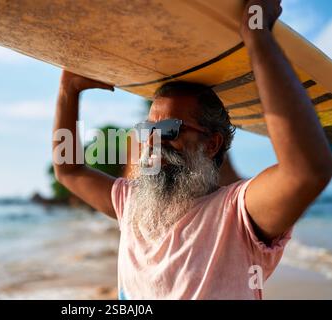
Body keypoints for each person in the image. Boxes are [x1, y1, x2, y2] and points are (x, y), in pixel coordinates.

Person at [51, 0, 332, 299]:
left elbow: (306, 171)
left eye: (170, 129)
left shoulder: (236, 215)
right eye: (148, 130)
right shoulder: (131, 202)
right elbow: (68, 170)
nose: (154, 141)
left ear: (212, 144)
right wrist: (68, 91)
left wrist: (258, 38)